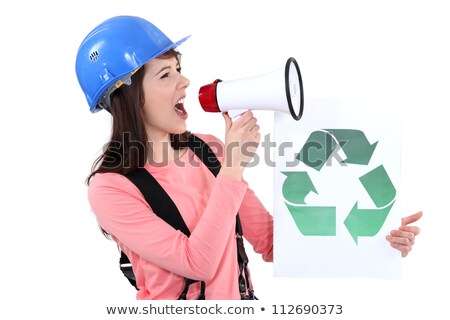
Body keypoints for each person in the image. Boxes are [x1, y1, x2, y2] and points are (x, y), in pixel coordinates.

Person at [75, 15, 423, 300]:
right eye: (166, 75)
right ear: (127, 97)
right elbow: (197, 264)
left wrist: (376, 241)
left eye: (179, 68)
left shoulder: (209, 150)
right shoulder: (110, 189)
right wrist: (233, 166)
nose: (185, 82)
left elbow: (277, 244)